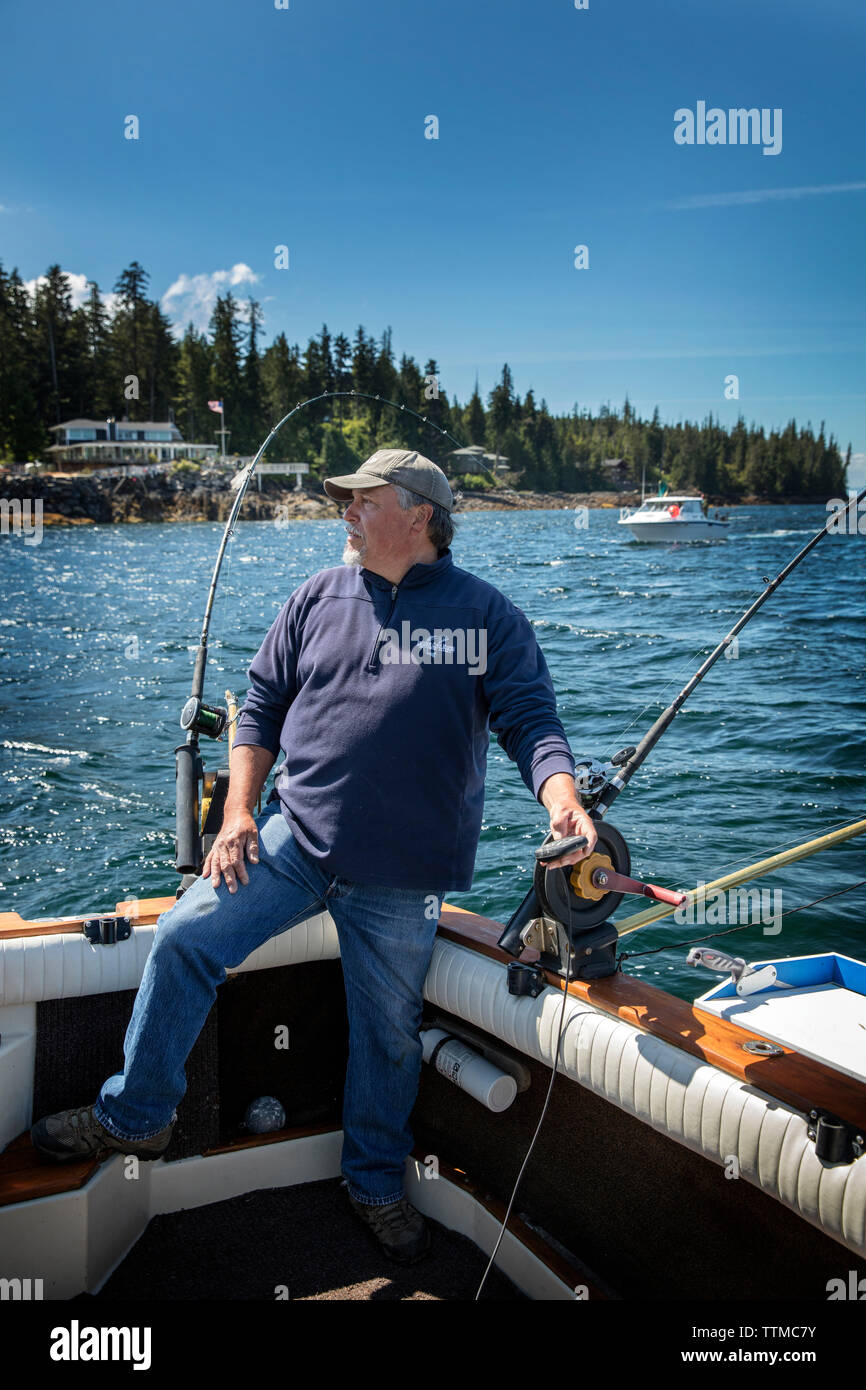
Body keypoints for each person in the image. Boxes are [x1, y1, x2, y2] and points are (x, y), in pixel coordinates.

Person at [32, 448, 597, 1265]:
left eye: (361, 499)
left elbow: (530, 720)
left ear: (417, 516)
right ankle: (137, 1115)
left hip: (402, 875)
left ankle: (372, 1182)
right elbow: (258, 705)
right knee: (187, 938)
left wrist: (564, 800)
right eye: (345, 500)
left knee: (388, 1037)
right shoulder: (315, 596)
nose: (345, 511)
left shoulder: (488, 617)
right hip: (293, 838)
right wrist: (236, 814)